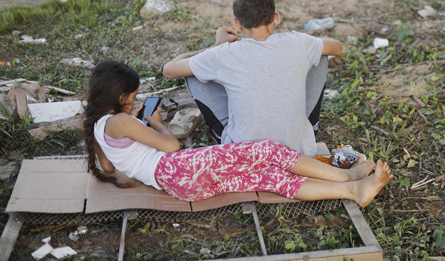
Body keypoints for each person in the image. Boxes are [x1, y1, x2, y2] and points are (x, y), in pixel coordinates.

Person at [83, 60, 392, 205]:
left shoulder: (98, 127)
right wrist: (155, 122)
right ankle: (347, 178)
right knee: (268, 151)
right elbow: (172, 147)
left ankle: (353, 191)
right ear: (117, 97)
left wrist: (137, 139)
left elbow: (111, 167)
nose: (135, 101)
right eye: (132, 97)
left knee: (268, 177)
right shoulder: (120, 122)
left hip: (179, 186)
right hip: (178, 167)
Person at [163, 0, 341, 156]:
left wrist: (216, 46)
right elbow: (337, 47)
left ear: (237, 24)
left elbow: (169, 70)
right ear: (276, 18)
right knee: (320, 53)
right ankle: (308, 127)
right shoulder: (299, 43)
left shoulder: (223, 53)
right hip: (297, 150)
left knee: (193, 71)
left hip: (243, 154)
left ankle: (230, 137)